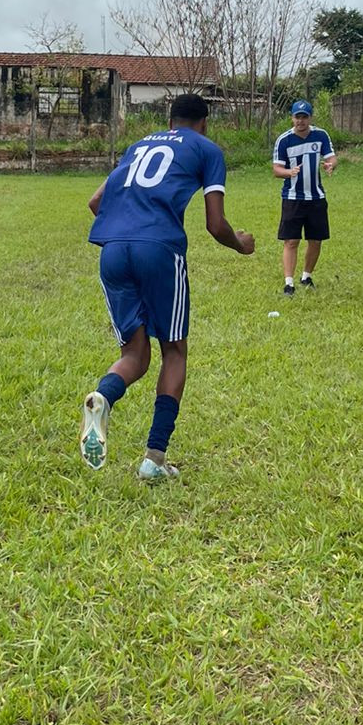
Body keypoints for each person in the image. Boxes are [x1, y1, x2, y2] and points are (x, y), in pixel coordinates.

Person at [81, 93, 255, 479]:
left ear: (169, 119)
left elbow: (96, 202)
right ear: (205, 123)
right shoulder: (207, 150)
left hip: (111, 250)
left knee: (135, 355)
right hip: (159, 250)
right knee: (174, 352)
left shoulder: (138, 145)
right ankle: (153, 459)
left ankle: (103, 397)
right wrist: (240, 244)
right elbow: (215, 224)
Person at [272, 99, 336, 295]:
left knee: (316, 240)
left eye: (304, 117)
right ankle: (289, 283)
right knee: (291, 240)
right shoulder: (284, 140)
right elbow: (276, 169)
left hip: (316, 197)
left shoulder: (321, 135)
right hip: (292, 197)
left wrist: (330, 165)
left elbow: (331, 157)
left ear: (310, 118)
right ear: (292, 118)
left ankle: (306, 276)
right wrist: (288, 172)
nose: (300, 121)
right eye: (297, 117)